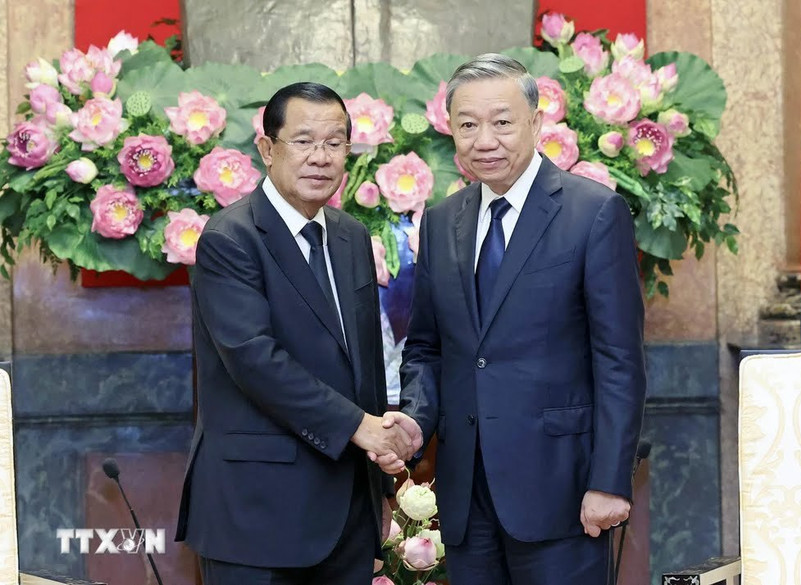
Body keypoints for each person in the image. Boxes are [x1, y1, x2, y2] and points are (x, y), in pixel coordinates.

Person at [375, 54, 647, 584]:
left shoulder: (591, 212)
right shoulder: (441, 222)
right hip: (465, 493)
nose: (485, 140)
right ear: (450, 129)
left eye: (502, 122)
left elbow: (619, 359)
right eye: (468, 125)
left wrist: (610, 480)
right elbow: (429, 347)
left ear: (536, 123)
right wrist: (414, 419)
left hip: (563, 492)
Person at [175, 81, 422, 585]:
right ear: (267, 149)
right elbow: (255, 360)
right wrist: (360, 426)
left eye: (335, 143)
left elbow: (362, 364)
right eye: (303, 141)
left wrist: (378, 472)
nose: (320, 157)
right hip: (257, 511)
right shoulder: (231, 238)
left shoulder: (350, 236)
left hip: (346, 513)